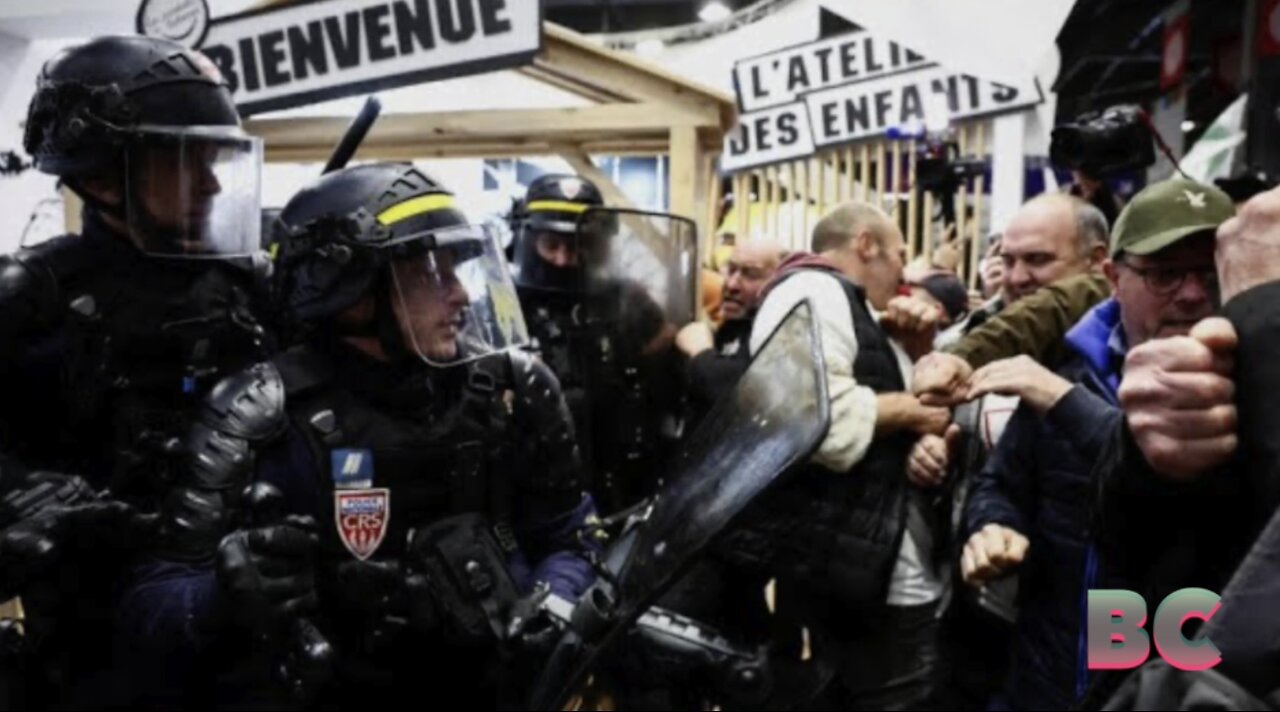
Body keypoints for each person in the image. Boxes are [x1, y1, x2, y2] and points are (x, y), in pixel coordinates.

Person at [118, 163, 601, 707]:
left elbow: (569, 535)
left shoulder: (514, 389)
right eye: (428, 273)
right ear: (347, 291)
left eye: (456, 269)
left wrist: (552, 601)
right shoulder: (258, 414)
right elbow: (150, 606)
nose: (461, 296)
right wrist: (215, 601)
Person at [0, 35, 270, 707]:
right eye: (186, 161)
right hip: (96, 654)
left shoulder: (249, 289)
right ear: (99, 175)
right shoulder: (30, 300)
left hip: (245, 630)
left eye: (216, 159)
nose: (211, 182)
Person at [958, 178, 1232, 711]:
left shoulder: (1258, 386)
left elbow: (1173, 489)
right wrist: (993, 525)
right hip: (1045, 678)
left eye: (1210, 273)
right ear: (1112, 278)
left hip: (1177, 683)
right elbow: (1002, 482)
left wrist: (1064, 402)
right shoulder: (1066, 369)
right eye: (1165, 274)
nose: (1194, 294)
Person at [722, 201, 951, 710]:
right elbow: (813, 421)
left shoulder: (846, 304)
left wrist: (917, 352)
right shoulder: (813, 290)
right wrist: (917, 413)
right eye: (898, 255)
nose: (904, 271)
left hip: (868, 564)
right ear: (866, 244)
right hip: (861, 575)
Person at [510, 174, 693, 513]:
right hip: (533, 487)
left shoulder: (629, 300)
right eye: (552, 245)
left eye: (578, 245)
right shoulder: (507, 305)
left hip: (621, 481)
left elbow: (664, 379)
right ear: (527, 239)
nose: (565, 259)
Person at [675, 240, 787, 420]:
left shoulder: (777, 331)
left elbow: (740, 398)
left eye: (750, 274)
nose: (731, 284)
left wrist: (701, 353)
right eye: (731, 269)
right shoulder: (732, 326)